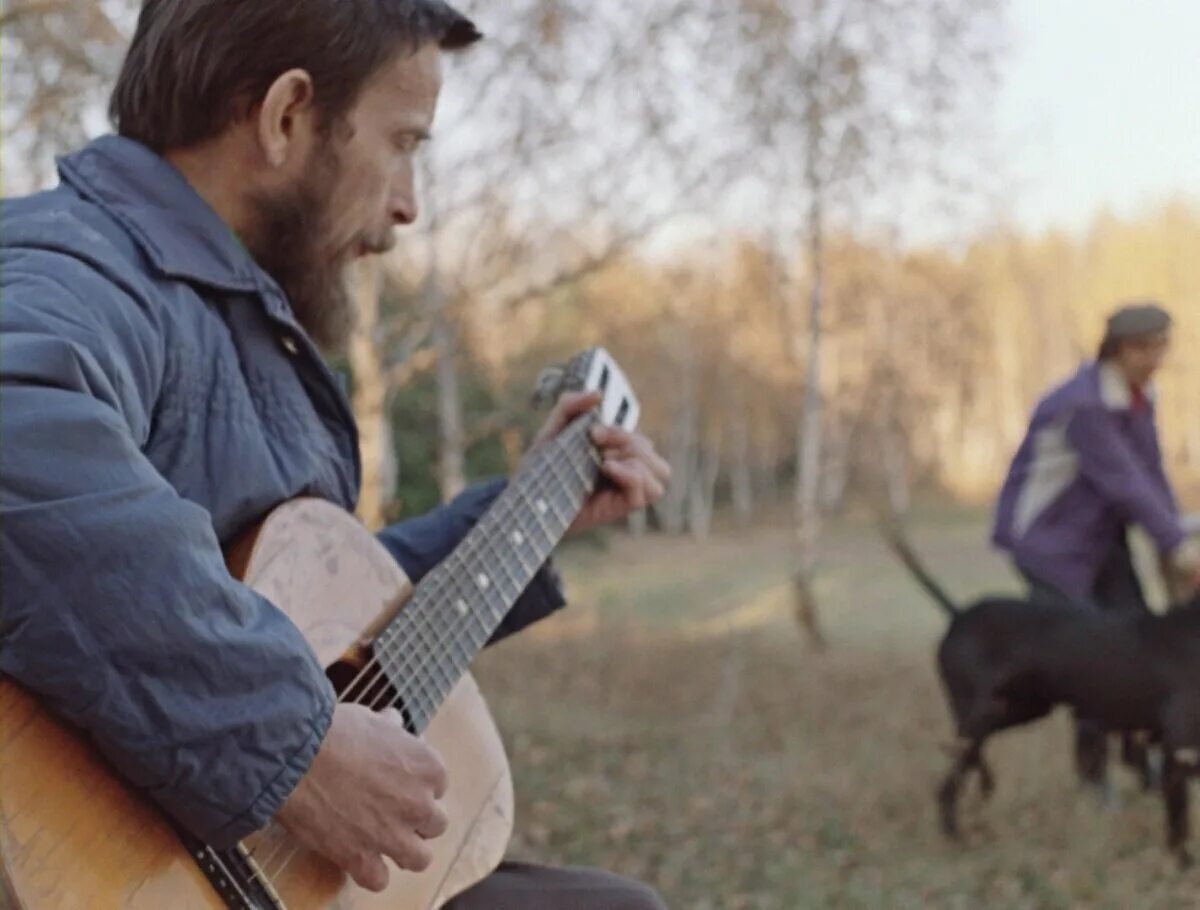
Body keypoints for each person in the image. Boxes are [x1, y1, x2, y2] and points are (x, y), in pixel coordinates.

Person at [0, 2, 671, 907]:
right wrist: (292, 744)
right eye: (402, 142)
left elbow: (305, 617)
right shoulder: (79, 262)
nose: (407, 204)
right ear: (285, 116)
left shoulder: (226, 308)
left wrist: (526, 513)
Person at [992, 300, 1200, 793]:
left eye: (1160, 346)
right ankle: (1093, 775)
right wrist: (1178, 544)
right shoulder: (1084, 402)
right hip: (1049, 544)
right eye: (1142, 347)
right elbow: (1123, 481)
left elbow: (1150, 474)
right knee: (1085, 657)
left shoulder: (1140, 395)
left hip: (1101, 540)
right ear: (1115, 349)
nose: (1153, 357)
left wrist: (1179, 536)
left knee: (1138, 645)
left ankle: (1141, 759)